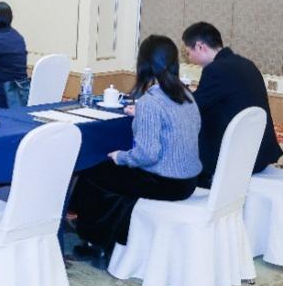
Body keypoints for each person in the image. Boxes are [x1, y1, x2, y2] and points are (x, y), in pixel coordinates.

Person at [70, 35, 201, 257]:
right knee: (114, 177)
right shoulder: (186, 94)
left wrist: (121, 156)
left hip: (165, 182)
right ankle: (110, 230)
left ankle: (94, 240)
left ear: (144, 64)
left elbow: (147, 155)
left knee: (93, 172)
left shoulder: (151, 101)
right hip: (188, 179)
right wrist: (142, 115)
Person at [182, 22, 282, 188]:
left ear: (200, 47)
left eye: (188, 53)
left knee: (187, 124)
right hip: (261, 151)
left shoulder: (215, 70)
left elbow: (192, 107)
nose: (190, 58)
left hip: (237, 158)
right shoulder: (245, 63)